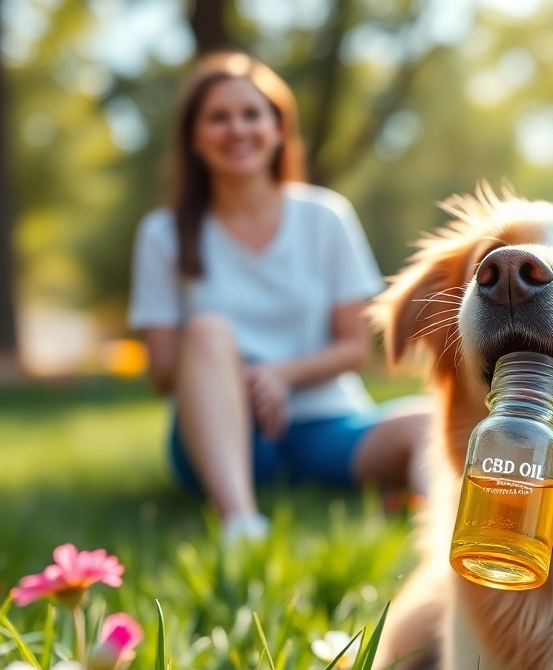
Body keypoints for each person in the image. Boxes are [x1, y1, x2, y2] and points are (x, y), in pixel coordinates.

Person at [128, 52, 427, 543]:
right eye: (218, 118)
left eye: (251, 114)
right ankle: (240, 522)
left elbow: (356, 348)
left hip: (327, 426)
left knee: (427, 423)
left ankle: (441, 533)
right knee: (207, 329)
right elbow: (162, 374)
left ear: (277, 128)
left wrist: (280, 375)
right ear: (195, 139)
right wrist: (226, 371)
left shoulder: (326, 217)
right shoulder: (163, 234)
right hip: (224, 441)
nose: (237, 129)